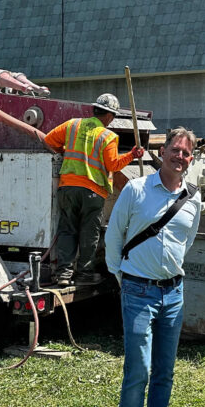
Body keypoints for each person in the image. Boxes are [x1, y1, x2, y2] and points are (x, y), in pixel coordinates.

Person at [105, 127, 202, 407]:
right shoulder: (136, 189)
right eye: (175, 150)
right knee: (138, 371)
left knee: (165, 370)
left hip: (173, 294)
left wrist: (165, 275)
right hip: (137, 292)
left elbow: (185, 243)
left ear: (192, 158)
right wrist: (125, 278)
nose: (180, 157)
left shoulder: (193, 198)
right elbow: (113, 238)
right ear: (162, 153)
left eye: (186, 153)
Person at [43, 93, 144, 286]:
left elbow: (48, 140)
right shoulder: (108, 136)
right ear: (109, 116)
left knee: (67, 230)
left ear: (94, 109)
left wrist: (65, 150)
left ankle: (63, 274)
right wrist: (132, 154)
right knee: (89, 234)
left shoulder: (73, 125)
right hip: (92, 191)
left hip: (68, 187)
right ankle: (84, 275)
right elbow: (113, 165)